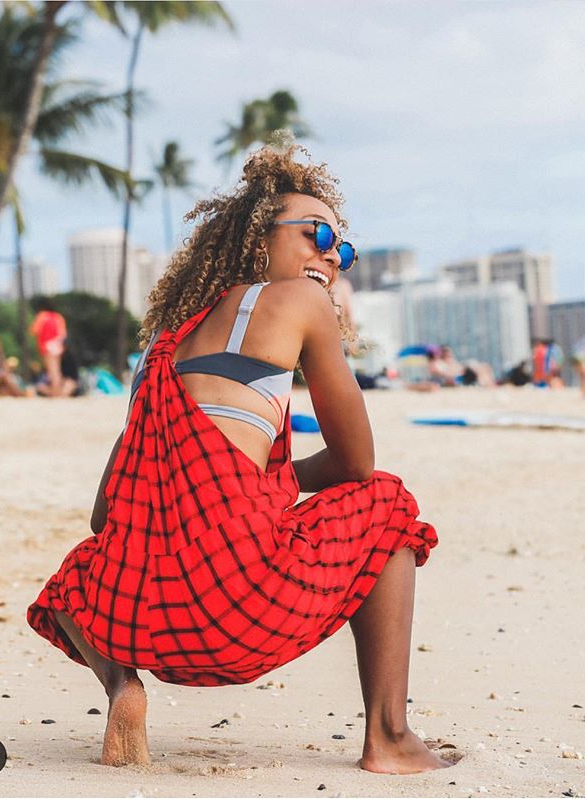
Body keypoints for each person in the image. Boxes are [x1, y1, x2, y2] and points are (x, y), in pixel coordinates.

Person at [27, 141, 445, 775]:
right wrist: (276, 479)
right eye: (317, 233)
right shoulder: (299, 304)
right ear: (257, 239)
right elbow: (358, 463)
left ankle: (122, 690)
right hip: (245, 608)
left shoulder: (159, 356)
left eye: (344, 249)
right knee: (389, 502)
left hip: (145, 623)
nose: (332, 253)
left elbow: (104, 515)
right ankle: (389, 736)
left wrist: (247, 478)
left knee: (73, 577)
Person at [29, 298, 67, 397]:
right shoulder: (58, 317)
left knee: (52, 371)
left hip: (47, 346)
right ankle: (57, 392)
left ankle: (55, 393)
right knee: (57, 370)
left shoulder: (42, 316)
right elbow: (62, 334)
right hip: (57, 346)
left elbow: (34, 330)